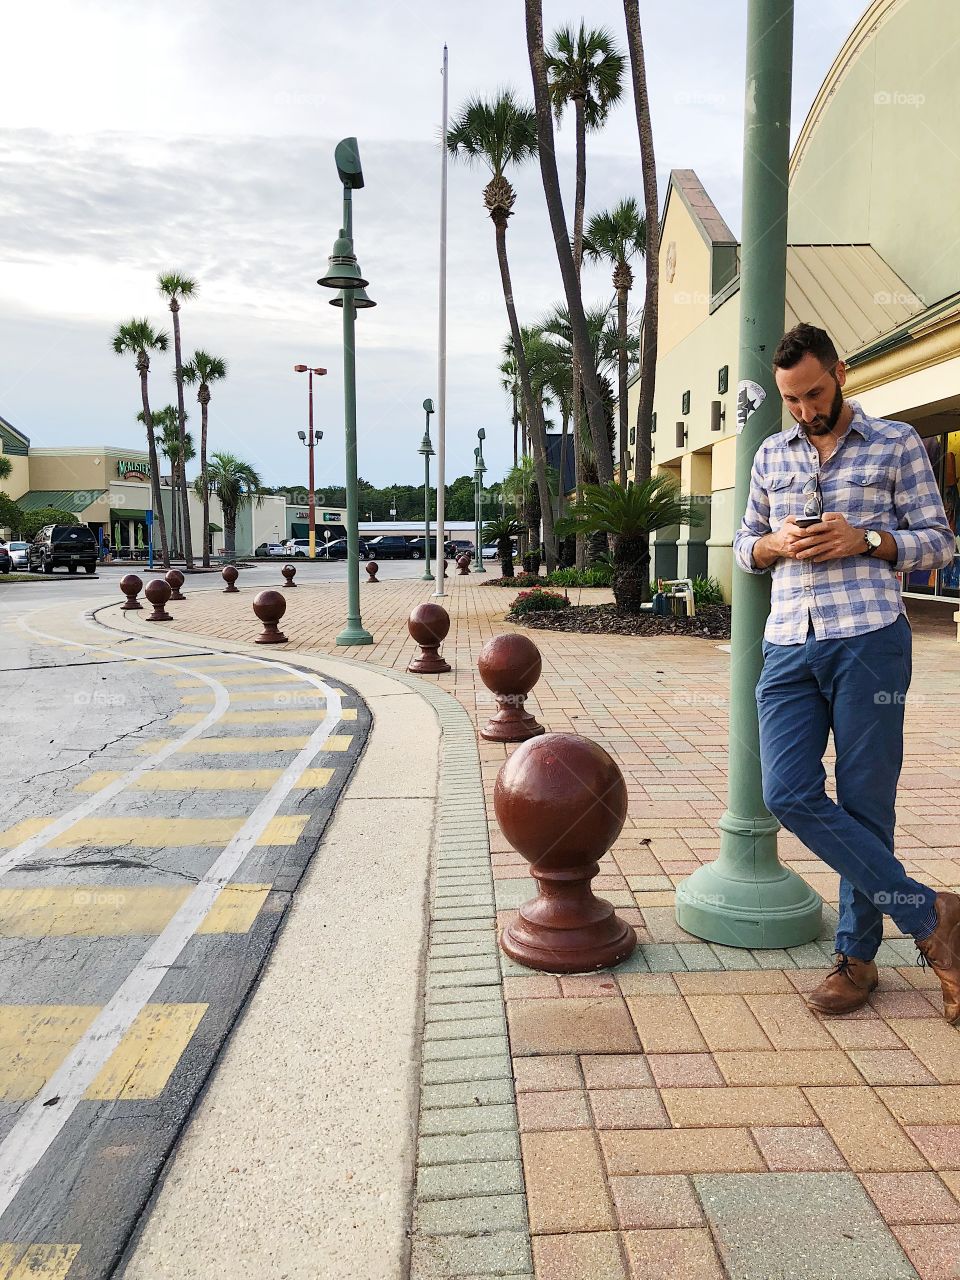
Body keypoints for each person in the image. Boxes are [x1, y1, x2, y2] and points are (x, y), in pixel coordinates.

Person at [734, 322, 959, 1019]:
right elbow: (745, 544)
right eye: (791, 400)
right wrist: (772, 543)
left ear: (841, 370)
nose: (804, 410)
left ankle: (857, 959)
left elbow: (939, 545)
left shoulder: (896, 444)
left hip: (869, 640)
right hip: (788, 644)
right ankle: (934, 919)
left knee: (866, 805)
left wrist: (865, 539)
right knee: (789, 792)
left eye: (814, 393)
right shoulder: (771, 454)